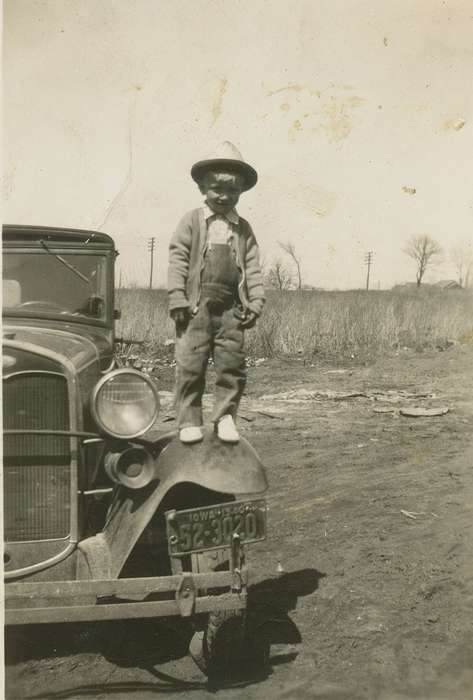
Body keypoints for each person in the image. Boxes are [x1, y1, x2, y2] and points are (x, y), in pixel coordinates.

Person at [167, 142, 265, 444]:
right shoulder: (192, 221)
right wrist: (177, 297)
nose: (224, 197)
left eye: (232, 191)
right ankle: (188, 421)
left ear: (241, 192)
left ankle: (225, 417)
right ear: (202, 187)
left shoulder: (243, 229)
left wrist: (257, 300)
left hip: (231, 310)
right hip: (195, 306)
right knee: (190, 365)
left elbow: (252, 265)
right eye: (216, 189)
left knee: (231, 365)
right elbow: (178, 257)